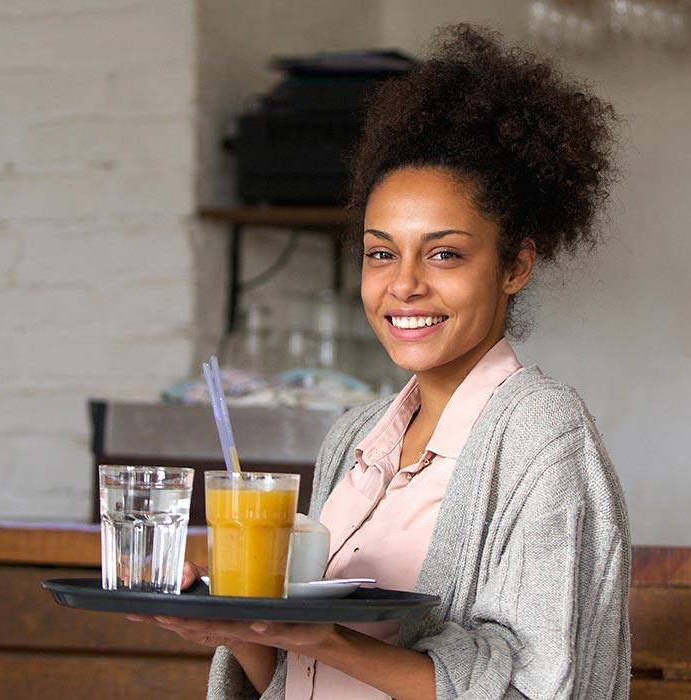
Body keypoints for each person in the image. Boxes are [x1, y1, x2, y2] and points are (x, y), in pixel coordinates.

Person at [141, 23, 630, 699]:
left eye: (444, 253)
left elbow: (537, 689)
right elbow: (292, 673)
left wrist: (327, 638)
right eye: (380, 252)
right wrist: (235, 625)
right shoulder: (354, 439)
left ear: (515, 265)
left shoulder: (542, 437)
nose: (404, 284)